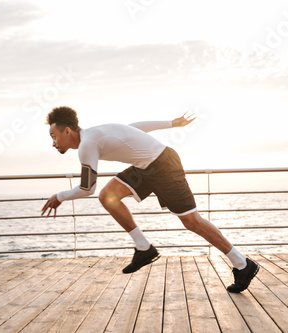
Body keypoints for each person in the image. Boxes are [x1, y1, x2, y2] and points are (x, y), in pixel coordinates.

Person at [41, 106, 259, 293]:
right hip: (144, 167)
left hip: (163, 165)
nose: (53, 142)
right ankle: (144, 247)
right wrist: (172, 123)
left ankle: (242, 264)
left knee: (192, 222)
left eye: (53, 136)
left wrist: (60, 196)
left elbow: (87, 188)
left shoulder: (88, 144)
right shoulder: (95, 133)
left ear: (67, 131)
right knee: (108, 196)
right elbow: (135, 127)